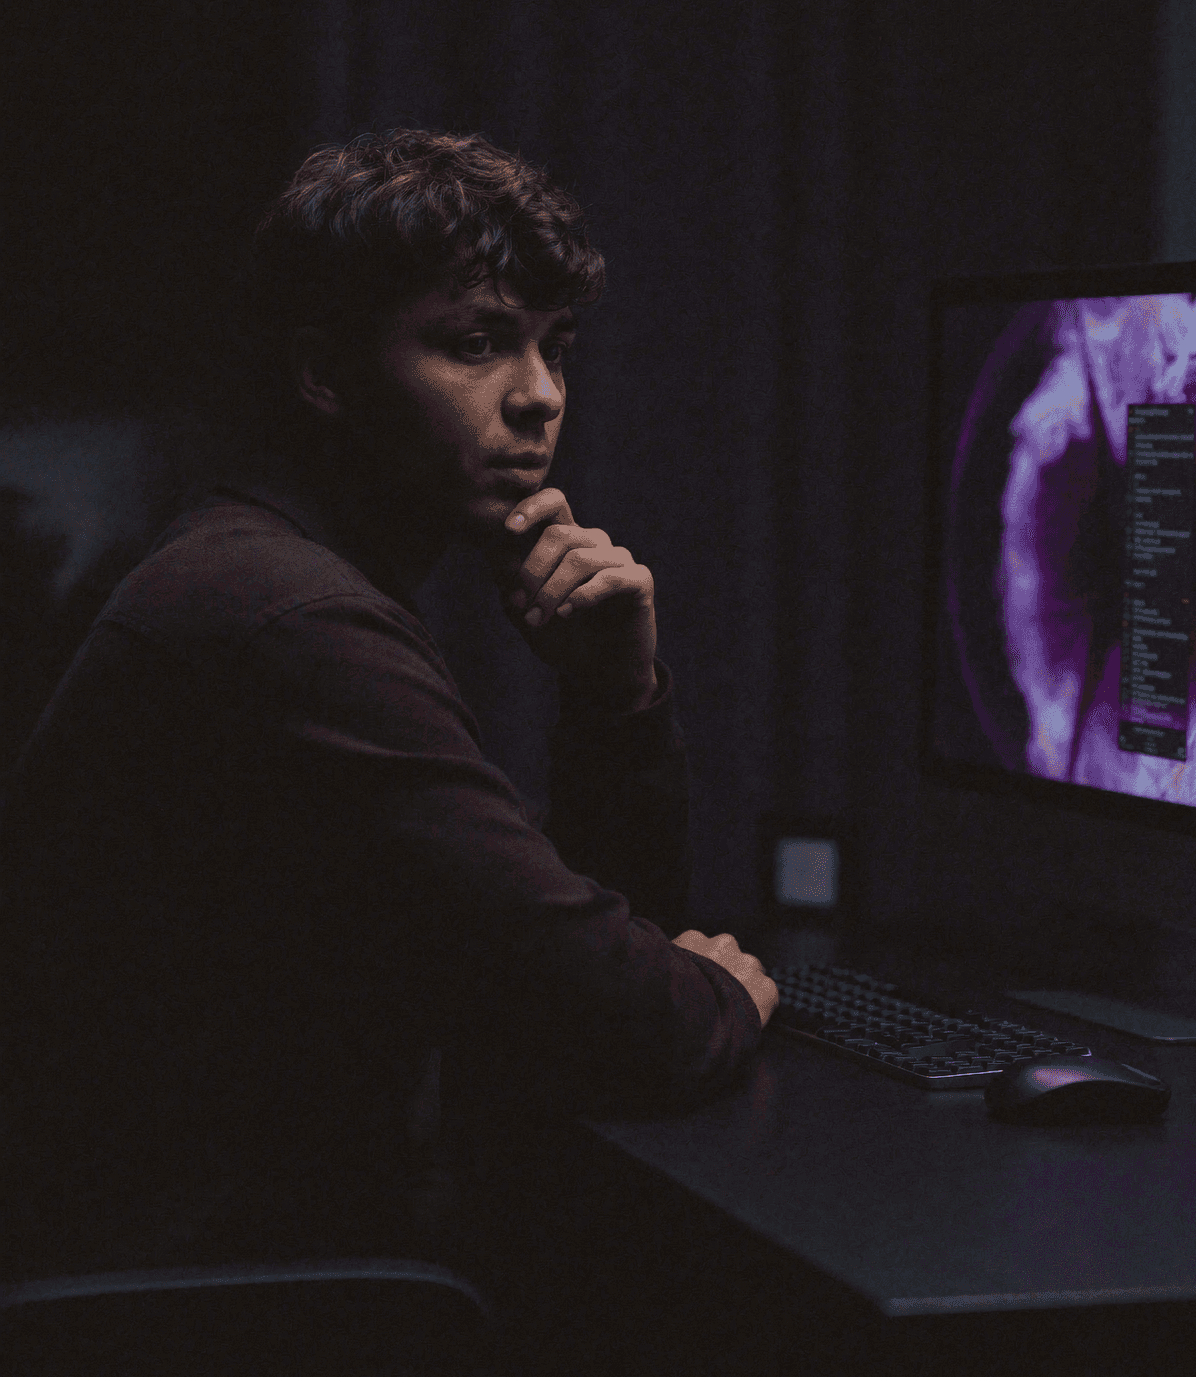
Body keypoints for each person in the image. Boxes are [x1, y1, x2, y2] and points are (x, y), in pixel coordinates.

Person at [0, 127, 777, 1280]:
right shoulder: (284, 615)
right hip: (192, 1331)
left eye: (555, 347)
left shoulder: (273, 574)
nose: (540, 397)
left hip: (231, 1282)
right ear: (324, 373)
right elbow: (632, 1023)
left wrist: (612, 698)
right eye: (475, 344)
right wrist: (721, 991)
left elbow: (582, 976)